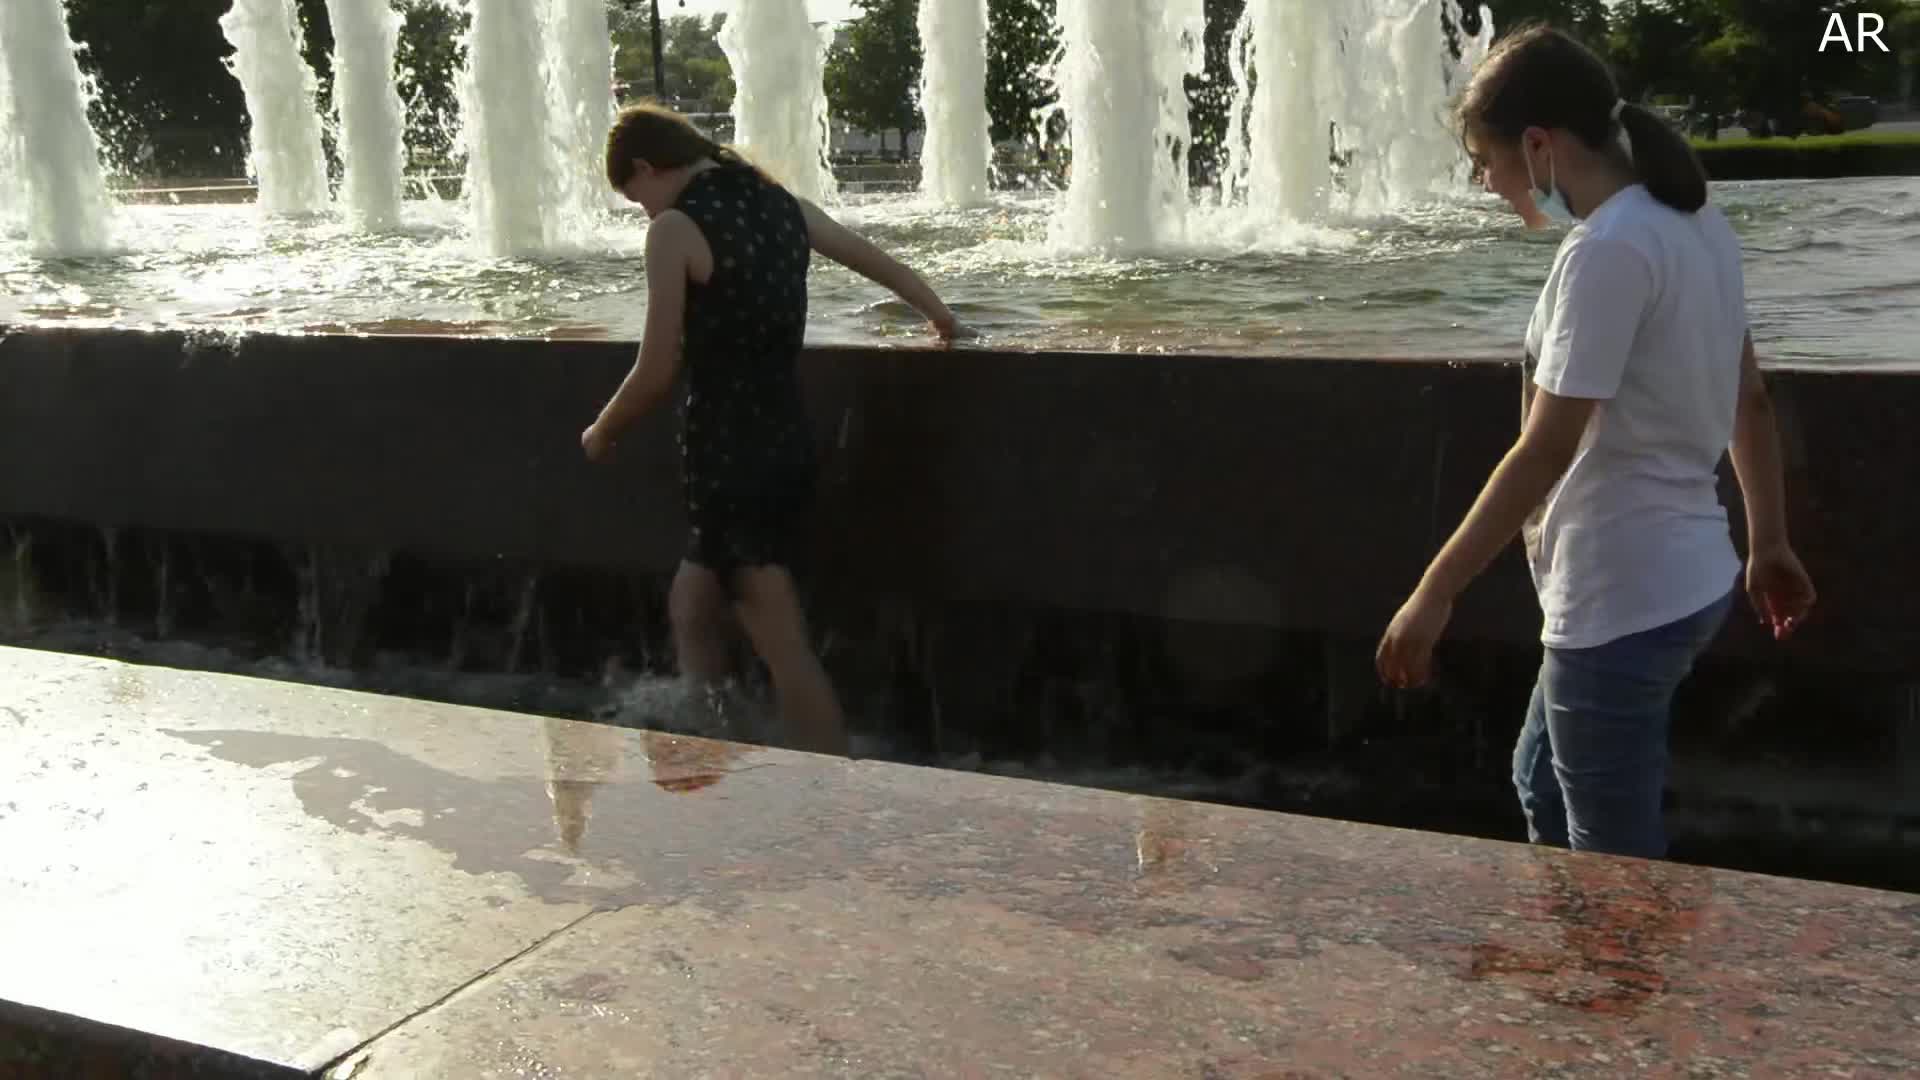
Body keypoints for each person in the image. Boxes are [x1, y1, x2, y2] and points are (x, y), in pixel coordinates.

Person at [1374, 27, 1816, 860]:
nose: (1484, 180)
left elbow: (1544, 450)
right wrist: (1768, 543)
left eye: (1487, 158)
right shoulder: (1696, 222)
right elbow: (1748, 398)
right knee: (1541, 781)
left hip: (1622, 595)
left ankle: (1617, 950)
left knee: (1612, 860)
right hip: (1687, 577)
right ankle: (1588, 939)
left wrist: (1433, 595)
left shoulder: (1607, 251)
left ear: (1538, 146)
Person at [581, 104, 964, 757]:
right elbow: (882, 265)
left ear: (646, 167)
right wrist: (944, 319)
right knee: (693, 603)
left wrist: (602, 430)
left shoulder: (676, 229)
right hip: (785, 442)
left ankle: (824, 783)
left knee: (782, 643)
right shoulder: (783, 207)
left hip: (728, 459)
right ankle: (714, 743)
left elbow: (657, 368)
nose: (642, 211)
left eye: (635, 196)